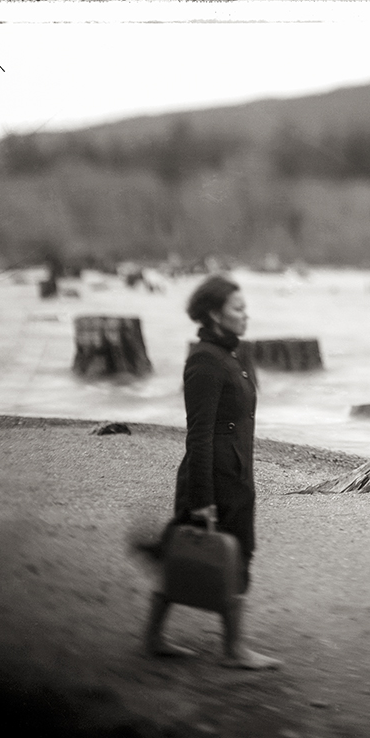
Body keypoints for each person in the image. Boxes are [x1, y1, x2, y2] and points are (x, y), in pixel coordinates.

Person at [144, 274, 280, 669]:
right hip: (212, 478)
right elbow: (198, 435)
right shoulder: (204, 360)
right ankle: (232, 649)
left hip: (236, 474)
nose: (245, 315)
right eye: (238, 309)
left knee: (223, 553)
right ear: (214, 314)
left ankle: (166, 638)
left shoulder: (234, 355)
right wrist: (202, 500)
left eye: (245, 307)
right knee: (203, 552)